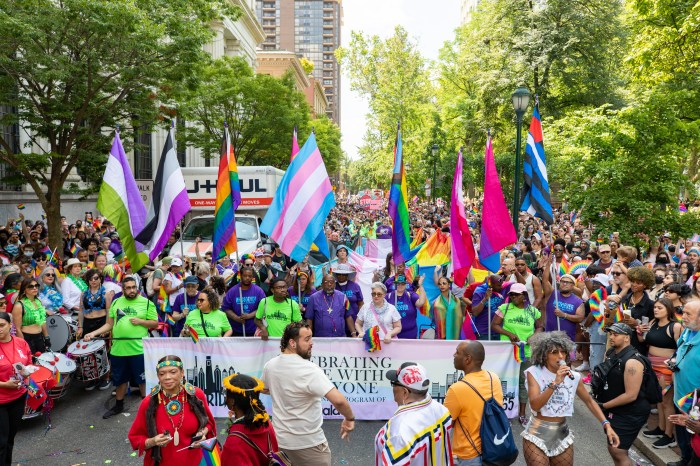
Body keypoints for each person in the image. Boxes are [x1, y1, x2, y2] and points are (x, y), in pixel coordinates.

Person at [262, 322, 355, 465]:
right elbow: (339, 401)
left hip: (280, 443)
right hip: (310, 446)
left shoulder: (271, 365)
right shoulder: (310, 369)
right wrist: (349, 419)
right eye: (307, 339)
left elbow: (265, 388)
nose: (311, 343)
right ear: (292, 343)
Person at [522, 331, 620, 465]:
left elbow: (589, 401)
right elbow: (535, 405)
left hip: (562, 433)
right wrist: (555, 382)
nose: (560, 356)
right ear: (544, 355)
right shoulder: (534, 373)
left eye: (563, 352)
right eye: (554, 352)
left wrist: (606, 424)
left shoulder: (573, 377)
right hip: (537, 433)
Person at [84, 276, 158, 419]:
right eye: (128, 288)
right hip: (119, 350)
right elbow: (109, 324)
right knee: (120, 380)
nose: (131, 290)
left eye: (133, 287)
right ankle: (118, 405)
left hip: (139, 349)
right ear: (123, 290)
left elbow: (155, 324)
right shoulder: (116, 302)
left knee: (142, 380)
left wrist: (141, 321)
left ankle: (148, 408)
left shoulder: (147, 303)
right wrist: (93, 333)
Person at [128, 355, 216, 466]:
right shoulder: (149, 402)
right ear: (158, 376)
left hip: (196, 461)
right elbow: (135, 437)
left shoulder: (195, 395)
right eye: (162, 374)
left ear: (182, 372)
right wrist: (153, 441)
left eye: (173, 372)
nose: (167, 377)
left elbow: (209, 423)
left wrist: (202, 434)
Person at [376, 362, 453, 465]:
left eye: (394, 383)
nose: (393, 388)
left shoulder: (399, 433)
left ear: (405, 392)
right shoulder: (442, 410)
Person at [595, 323, 651, 465]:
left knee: (618, 451)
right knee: (614, 448)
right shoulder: (611, 353)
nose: (611, 337)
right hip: (616, 409)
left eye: (615, 334)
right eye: (610, 334)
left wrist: (603, 405)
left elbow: (631, 395)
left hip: (630, 413)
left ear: (626, 338)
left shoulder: (633, 362)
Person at [491, 282, 543, 426]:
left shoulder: (532, 311)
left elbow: (540, 326)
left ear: (524, 296)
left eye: (516, 294)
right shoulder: (505, 308)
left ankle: (521, 413)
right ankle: (503, 411)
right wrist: (509, 333)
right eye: (511, 294)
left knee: (523, 382)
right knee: (504, 382)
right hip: (507, 353)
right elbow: (494, 325)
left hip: (526, 352)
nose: (513, 297)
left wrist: (534, 336)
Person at [445, 340, 503, 466]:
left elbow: (447, 424)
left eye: (457, 352)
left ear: (467, 359)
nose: (454, 355)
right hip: (494, 449)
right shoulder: (494, 378)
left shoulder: (457, 389)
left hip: (468, 455)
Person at [639, 298, 681, 449]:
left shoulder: (675, 326)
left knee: (667, 402)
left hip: (665, 367)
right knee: (658, 399)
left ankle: (669, 436)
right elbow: (643, 341)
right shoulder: (652, 323)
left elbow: (680, 348)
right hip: (651, 365)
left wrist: (671, 365)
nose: (656, 310)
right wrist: (640, 332)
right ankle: (661, 429)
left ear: (668, 310)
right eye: (655, 307)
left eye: (660, 308)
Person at [221, 372, 279, 466]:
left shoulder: (234, 442)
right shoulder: (266, 423)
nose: (225, 397)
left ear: (232, 401)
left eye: (226, 394)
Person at [669, 300, 700, 466]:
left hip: (696, 402)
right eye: (683, 312)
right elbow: (679, 350)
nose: (683, 317)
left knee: (693, 434)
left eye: (689, 314)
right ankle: (684, 458)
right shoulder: (688, 331)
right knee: (681, 430)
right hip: (681, 394)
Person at [0, 311, 31, 465]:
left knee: (10, 439)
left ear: (10, 325)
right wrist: (4, 384)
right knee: (1, 442)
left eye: (2, 325)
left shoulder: (21, 343)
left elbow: (28, 364)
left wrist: (26, 375)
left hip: (18, 396)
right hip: (1, 400)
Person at [77, 268, 111, 391]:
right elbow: (81, 310)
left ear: (100, 279)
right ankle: (92, 378)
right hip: (87, 323)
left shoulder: (106, 293)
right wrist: (80, 326)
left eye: (96, 278)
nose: (93, 281)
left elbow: (109, 311)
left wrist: (108, 326)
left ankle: (105, 377)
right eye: (90, 279)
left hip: (101, 322)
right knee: (87, 353)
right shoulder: (84, 294)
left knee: (103, 351)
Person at [542, 260, 584, 342]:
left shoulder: (578, 301)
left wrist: (564, 315)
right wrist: (549, 263)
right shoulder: (552, 294)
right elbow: (544, 281)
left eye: (567, 282)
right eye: (562, 281)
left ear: (572, 286)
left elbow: (580, 318)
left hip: (568, 340)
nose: (564, 284)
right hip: (550, 338)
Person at [223, 267, 266, 337]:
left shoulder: (259, 291)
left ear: (252, 277)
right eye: (245, 276)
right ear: (241, 276)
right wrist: (236, 318)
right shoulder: (232, 291)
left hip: (253, 330)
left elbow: (263, 308)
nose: (247, 278)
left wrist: (250, 315)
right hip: (236, 330)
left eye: (249, 276)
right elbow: (226, 308)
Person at [11, 277, 49, 353]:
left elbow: (42, 321)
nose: (34, 288)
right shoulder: (19, 305)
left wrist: (47, 337)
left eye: (36, 285)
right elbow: (17, 329)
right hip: (27, 338)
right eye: (31, 286)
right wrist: (23, 345)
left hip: (39, 337)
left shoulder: (38, 302)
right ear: (24, 290)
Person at [387, 274, 427, 339]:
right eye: (398, 283)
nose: (400, 285)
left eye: (402, 284)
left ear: (405, 285)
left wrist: (420, 285)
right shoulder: (388, 296)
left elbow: (421, 302)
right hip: (393, 336)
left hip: (411, 335)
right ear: (394, 284)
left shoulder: (410, 295)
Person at [471, 274, 508, 340]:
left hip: (499, 331)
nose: (501, 287)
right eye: (498, 285)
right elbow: (475, 312)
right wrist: (485, 298)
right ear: (491, 284)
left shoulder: (503, 289)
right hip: (484, 332)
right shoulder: (480, 291)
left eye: (502, 284)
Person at [432, 275, 466, 340]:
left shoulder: (456, 301)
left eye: (444, 283)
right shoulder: (436, 303)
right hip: (442, 336)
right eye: (440, 284)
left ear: (449, 285)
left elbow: (460, 317)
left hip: (455, 334)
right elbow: (434, 318)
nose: (442, 285)